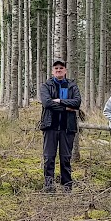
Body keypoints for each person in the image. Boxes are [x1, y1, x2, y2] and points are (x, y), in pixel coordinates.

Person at [38, 60, 82, 192]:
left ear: (65, 70)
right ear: (52, 71)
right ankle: (49, 186)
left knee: (66, 158)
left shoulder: (72, 86)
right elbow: (47, 103)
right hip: (50, 126)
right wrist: (67, 108)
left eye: (61, 68)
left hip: (67, 127)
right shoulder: (46, 85)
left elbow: (77, 102)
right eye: (56, 68)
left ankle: (67, 186)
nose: (58, 70)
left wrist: (60, 101)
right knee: (49, 157)